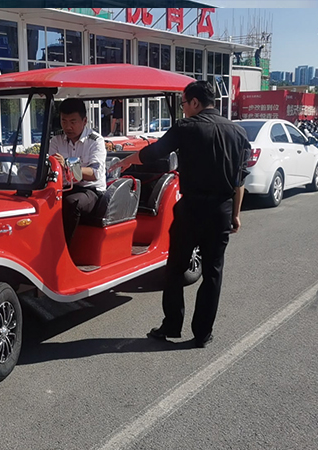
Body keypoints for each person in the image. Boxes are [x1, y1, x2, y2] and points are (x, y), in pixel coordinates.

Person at [113, 80, 250, 348]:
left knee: (175, 268)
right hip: (221, 209)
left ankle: (171, 325)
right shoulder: (238, 131)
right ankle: (203, 333)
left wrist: (128, 160)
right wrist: (235, 214)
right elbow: (239, 180)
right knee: (213, 272)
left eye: (184, 103)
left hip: (191, 208)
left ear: (195, 102)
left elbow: (154, 153)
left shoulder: (186, 127)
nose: (183, 108)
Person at [49, 98, 107, 245]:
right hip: (63, 188)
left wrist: (67, 165)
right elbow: (50, 166)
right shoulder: (56, 140)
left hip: (90, 190)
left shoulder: (95, 141)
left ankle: (63, 249)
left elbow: (94, 173)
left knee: (71, 203)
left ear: (84, 121)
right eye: (64, 121)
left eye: (73, 122)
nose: (68, 127)